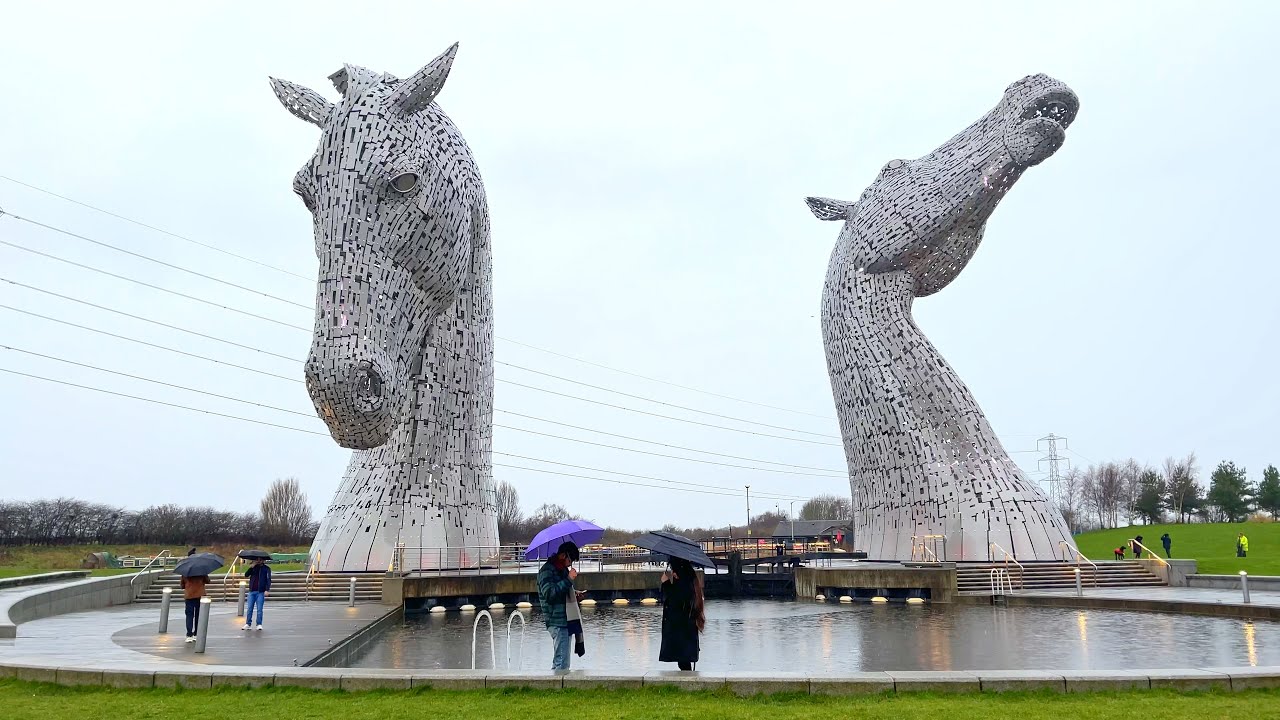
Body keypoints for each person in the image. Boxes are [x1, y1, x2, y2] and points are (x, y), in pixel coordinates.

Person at [537, 541, 581, 671]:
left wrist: (575, 593)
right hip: (556, 620)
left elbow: (562, 590)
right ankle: (557, 687)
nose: (571, 563)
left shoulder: (561, 570)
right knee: (561, 662)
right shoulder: (546, 571)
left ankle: (557, 686)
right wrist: (568, 579)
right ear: (563, 555)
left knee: (563, 660)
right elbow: (549, 594)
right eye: (570, 559)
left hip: (565, 619)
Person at [659, 557, 705, 671]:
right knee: (684, 662)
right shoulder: (690, 582)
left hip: (682, 631)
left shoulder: (684, 585)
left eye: (673, 569)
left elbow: (675, 602)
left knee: (683, 662)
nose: (672, 572)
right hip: (686, 631)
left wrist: (666, 583)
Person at [242, 557, 271, 631]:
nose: (258, 561)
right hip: (252, 591)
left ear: (263, 560)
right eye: (257, 559)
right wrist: (251, 567)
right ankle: (248, 623)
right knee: (249, 609)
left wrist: (267, 589)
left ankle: (259, 624)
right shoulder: (254, 568)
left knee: (259, 609)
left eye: (260, 560)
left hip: (260, 591)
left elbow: (268, 579)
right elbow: (246, 575)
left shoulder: (266, 569)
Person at [180, 573, 208, 643]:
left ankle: (189, 635)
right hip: (200, 595)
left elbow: (182, 585)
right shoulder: (202, 571)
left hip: (189, 596)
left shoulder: (185, 572)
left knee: (189, 615)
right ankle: (196, 633)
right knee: (198, 615)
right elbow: (208, 581)